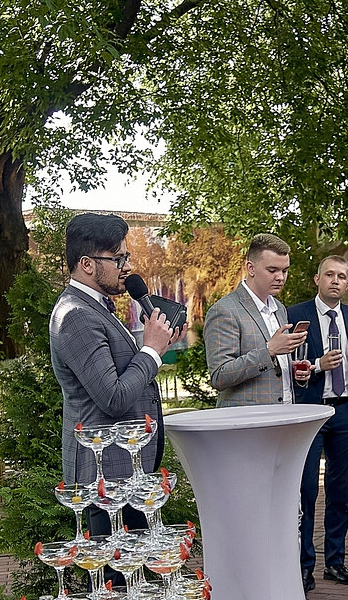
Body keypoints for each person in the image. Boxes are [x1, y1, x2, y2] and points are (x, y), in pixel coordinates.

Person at [50, 211, 176, 542]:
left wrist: (157, 346)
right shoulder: (75, 315)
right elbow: (114, 397)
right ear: (87, 264)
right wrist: (150, 351)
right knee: (118, 584)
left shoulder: (97, 307)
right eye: (117, 258)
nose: (126, 267)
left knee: (134, 578)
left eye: (126, 257)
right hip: (106, 475)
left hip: (125, 470)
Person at [289, 253, 348, 591]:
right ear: (317, 279)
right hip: (311, 411)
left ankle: (335, 562)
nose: (335, 281)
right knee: (307, 490)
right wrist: (318, 365)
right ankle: (304, 565)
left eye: (341, 276)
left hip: (347, 413)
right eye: (329, 275)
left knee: (340, 491)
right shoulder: (296, 315)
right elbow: (290, 365)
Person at [206, 233, 304, 406]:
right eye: (272, 270)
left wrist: (293, 371)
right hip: (247, 423)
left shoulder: (279, 309)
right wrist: (269, 350)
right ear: (251, 268)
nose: (280, 277)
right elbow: (219, 376)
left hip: (286, 417)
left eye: (285, 271)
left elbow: (274, 373)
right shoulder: (224, 310)